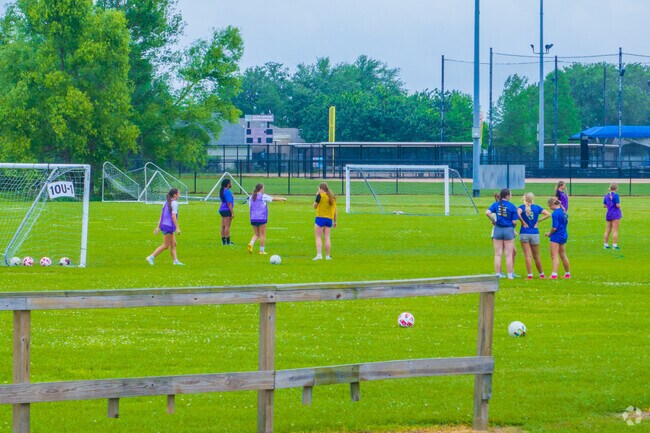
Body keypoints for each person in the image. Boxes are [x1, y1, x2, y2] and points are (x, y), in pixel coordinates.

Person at [486, 188, 518, 279]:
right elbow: (514, 222)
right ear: (507, 196)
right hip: (508, 229)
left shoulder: (495, 204)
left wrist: (494, 220)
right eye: (510, 195)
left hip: (498, 229)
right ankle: (510, 275)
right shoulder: (512, 206)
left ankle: (498, 274)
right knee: (508, 254)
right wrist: (512, 228)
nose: (511, 196)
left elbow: (487, 213)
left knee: (497, 254)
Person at [146, 188, 184, 265]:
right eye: (178, 194)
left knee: (173, 243)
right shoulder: (175, 203)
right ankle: (151, 257)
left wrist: (158, 227)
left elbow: (162, 216)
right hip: (168, 226)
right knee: (166, 245)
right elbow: (173, 217)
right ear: (175, 195)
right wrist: (177, 228)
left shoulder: (166, 203)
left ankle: (175, 261)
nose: (179, 195)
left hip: (165, 225)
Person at [518, 192, 551, 279]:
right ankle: (542, 274)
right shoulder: (537, 207)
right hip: (535, 233)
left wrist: (522, 221)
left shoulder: (522, 207)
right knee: (536, 256)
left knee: (527, 256)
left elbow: (517, 213)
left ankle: (530, 275)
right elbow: (548, 214)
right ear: (533, 198)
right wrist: (538, 221)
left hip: (524, 232)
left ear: (524, 198)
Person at [247, 183, 287, 255]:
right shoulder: (263, 196)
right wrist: (282, 198)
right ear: (261, 189)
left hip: (253, 218)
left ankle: (251, 243)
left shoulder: (251, 197)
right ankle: (261, 251)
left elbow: (250, 207)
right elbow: (272, 198)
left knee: (256, 234)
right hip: (261, 218)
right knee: (262, 234)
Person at [545, 197, 570, 279]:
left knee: (554, 256)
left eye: (549, 206)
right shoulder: (564, 212)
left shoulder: (555, 214)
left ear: (552, 204)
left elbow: (554, 228)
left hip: (556, 236)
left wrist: (549, 234)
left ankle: (554, 275)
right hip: (563, 235)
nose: (549, 208)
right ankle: (567, 274)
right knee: (563, 255)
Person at [313, 182, 337, 260]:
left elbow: (314, 206)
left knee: (318, 237)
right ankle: (327, 256)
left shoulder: (320, 196)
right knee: (327, 238)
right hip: (329, 220)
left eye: (319, 189)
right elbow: (335, 211)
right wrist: (335, 221)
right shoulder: (332, 197)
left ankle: (319, 255)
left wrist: (317, 196)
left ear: (322, 189)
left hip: (320, 218)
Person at [603, 182, 622, 249]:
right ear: (616, 188)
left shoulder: (606, 195)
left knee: (607, 230)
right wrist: (619, 205)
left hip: (609, 214)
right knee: (615, 230)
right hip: (615, 214)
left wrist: (609, 205)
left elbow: (604, 205)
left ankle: (605, 245)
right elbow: (617, 205)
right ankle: (614, 245)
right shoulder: (616, 195)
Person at [219, 178, 235, 245]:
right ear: (228, 184)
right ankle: (228, 242)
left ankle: (223, 241)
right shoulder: (228, 192)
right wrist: (232, 212)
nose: (231, 184)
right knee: (227, 226)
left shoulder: (223, 191)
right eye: (230, 183)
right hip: (226, 210)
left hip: (222, 209)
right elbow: (229, 203)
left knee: (223, 226)